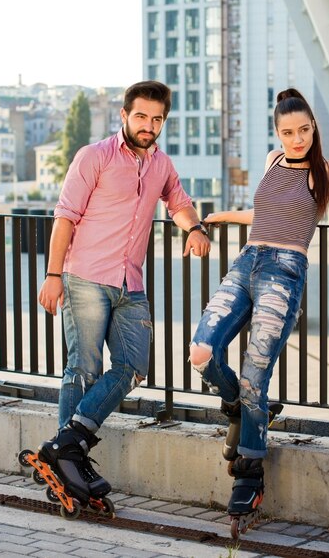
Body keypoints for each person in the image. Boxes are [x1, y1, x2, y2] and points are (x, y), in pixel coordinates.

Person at [189, 88, 329, 520]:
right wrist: (225, 216)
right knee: (201, 350)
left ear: (313, 127)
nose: (296, 139)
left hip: (285, 270)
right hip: (247, 261)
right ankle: (239, 409)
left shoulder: (328, 170)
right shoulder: (271, 160)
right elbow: (265, 213)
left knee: (255, 369)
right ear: (277, 133)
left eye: (303, 130)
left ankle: (250, 468)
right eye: (287, 132)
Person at [37, 80, 210, 505]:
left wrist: (195, 227)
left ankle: (67, 447)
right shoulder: (93, 157)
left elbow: (178, 201)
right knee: (83, 369)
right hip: (86, 277)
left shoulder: (162, 165)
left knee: (133, 365)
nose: (148, 125)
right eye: (141, 116)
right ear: (124, 116)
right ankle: (70, 464)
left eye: (157, 119)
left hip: (131, 282)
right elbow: (65, 217)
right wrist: (53, 274)